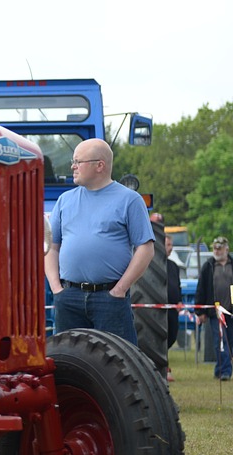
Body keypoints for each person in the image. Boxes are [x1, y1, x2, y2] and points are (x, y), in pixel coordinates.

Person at [45, 139, 155, 345]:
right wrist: (56, 288)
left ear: (100, 165)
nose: (72, 166)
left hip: (109, 299)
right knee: (68, 363)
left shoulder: (130, 200)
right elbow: (52, 247)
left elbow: (146, 249)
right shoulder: (64, 201)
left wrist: (119, 290)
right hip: (69, 298)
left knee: (119, 366)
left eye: (78, 161)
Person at [195, 236, 233, 382]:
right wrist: (200, 312)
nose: (217, 251)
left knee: (229, 341)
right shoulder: (208, 266)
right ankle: (226, 372)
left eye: (219, 248)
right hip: (215, 313)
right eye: (215, 248)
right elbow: (201, 289)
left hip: (232, 312)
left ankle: (219, 369)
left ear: (226, 249)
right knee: (220, 341)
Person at [165, 232, 182, 382]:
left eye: (171, 245)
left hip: (173, 310)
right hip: (159, 310)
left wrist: (180, 301)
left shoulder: (173, 266)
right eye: (168, 244)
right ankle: (164, 367)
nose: (171, 248)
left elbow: (178, 286)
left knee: (172, 336)